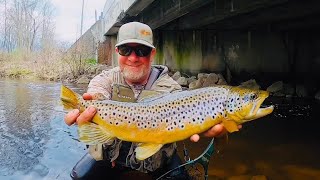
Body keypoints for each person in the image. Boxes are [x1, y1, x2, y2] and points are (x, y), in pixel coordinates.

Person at [64, 21, 227, 179]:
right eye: (126, 50)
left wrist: (212, 127)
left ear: (152, 53)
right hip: (110, 160)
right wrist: (90, 103)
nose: (133, 58)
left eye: (142, 50)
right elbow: (97, 93)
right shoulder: (104, 79)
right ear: (117, 51)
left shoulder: (171, 89)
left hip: (156, 164)